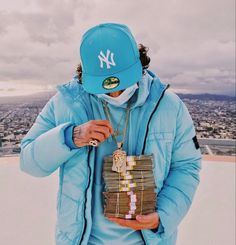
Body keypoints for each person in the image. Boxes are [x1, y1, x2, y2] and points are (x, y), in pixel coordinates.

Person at [20, 23, 202, 245]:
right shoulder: (66, 103)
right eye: (104, 88)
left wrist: (163, 217)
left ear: (140, 63)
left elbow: (187, 166)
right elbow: (28, 160)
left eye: (122, 83)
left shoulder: (169, 106)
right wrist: (71, 137)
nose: (115, 92)